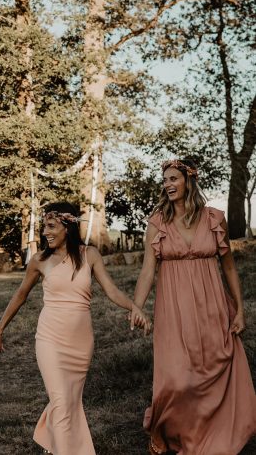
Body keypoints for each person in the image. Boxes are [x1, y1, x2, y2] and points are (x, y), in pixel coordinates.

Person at [0, 202, 150, 455]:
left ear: (68, 226)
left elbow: (111, 290)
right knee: (61, 401)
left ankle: (53, 445)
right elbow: (20, 295)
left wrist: (134, 308)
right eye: (44, 227)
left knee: (69, 403)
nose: (45, 232)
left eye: (51, 226)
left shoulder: (89, 255)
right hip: (50, 338)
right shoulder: (40, 260)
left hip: (81, 343)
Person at [132, 159, 256, 454]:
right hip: (173, 309)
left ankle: (208, 436)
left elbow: (228, 268)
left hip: (212, 305)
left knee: (212, 371)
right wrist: (137, 306)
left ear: (189, 181)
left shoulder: (214, 218)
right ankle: (161, 428)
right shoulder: (157, 222)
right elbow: (148, 271)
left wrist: (239, 309)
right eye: (165, 180)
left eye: (173, 178)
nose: (168, 185)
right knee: (175, 379)